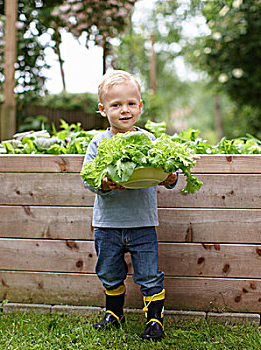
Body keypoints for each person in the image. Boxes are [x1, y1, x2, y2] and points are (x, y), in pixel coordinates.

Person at [81, 70, 178, 341]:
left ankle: (154, 320)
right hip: (107, 225)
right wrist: (105, 183)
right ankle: (114, 314)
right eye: (116, 105)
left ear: (140, 106)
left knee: (148, 274)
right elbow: (87, 178)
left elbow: (168, 172)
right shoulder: (98, 143)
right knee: (109, 272)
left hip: (143, 224)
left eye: (131, 104)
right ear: (103, 110)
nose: (125, 110)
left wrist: (171, 177)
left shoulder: (149, 141)